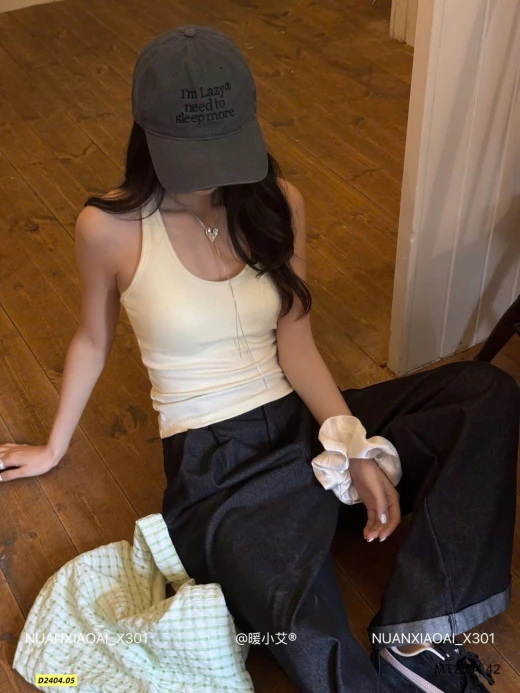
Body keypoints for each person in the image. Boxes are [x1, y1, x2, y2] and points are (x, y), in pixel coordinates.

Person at [1, 25, 518, 693]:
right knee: (297, 627)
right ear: (148, 136)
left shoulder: (280, 202)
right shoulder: (108, 228)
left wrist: (355, 447)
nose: (214, 174)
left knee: (484, 392)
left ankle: (415, 640)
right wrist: (53, 446)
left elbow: (295, 342)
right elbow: (92, 340)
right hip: (216, 470)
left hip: (302, 422)